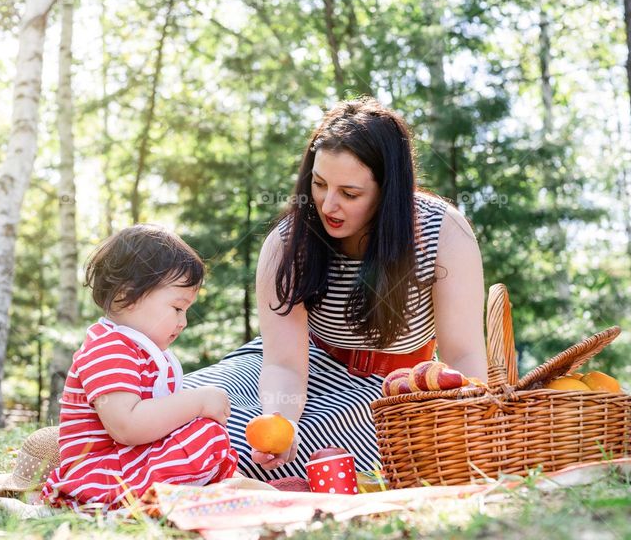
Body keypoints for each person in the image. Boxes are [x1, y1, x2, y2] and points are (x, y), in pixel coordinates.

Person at [184, 98, 488, 480]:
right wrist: (279, 421)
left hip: (388, 391)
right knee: (183, 409)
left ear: (388, 191)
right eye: (319, 184)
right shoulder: (287, 243)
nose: (328, 205)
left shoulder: (443, 233)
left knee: (236, 456)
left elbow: (463, 354)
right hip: (293, 368)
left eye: (350, 193)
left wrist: (471, 426)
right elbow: (283, 364)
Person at [41, 225, 238, 512]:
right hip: (101, 475)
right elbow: (127, 427)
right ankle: (188, 491)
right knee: (205, 436)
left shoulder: (143, 351)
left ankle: (205, 487)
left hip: (129, 464)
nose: (183, 322)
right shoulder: (108, 348)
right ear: (126, 295)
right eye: (177, 308)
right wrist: (197, 402)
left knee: (207, 434)